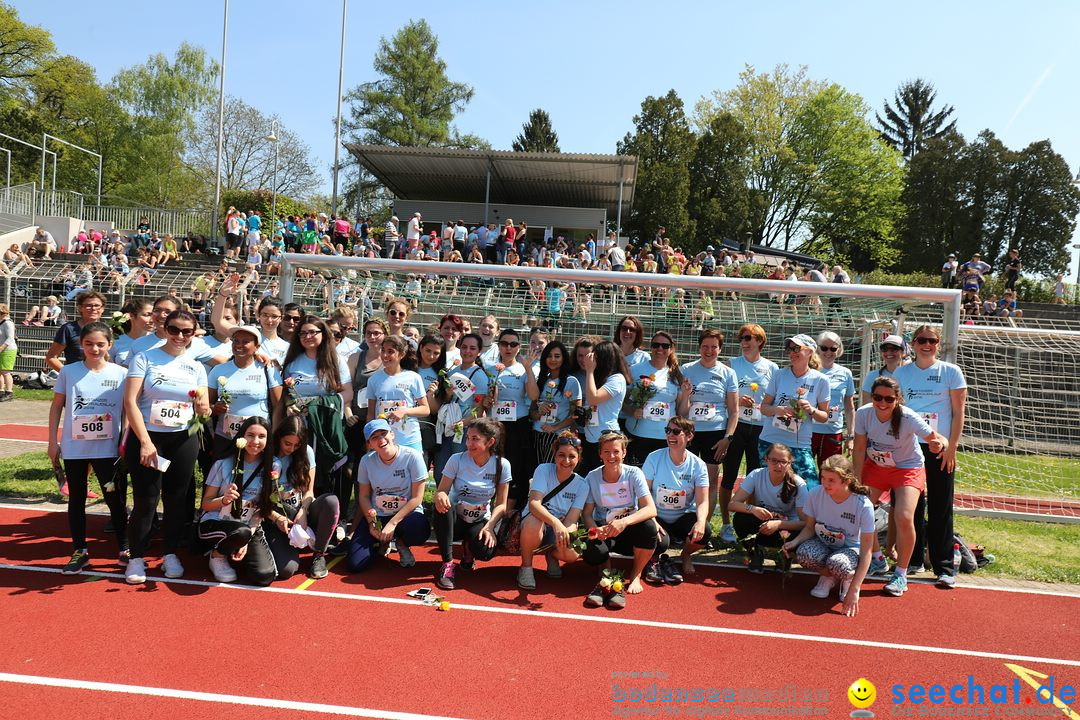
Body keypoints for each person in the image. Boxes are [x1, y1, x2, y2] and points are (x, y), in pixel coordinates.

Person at [123, 309, 211, 584]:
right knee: (146, 499)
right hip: (149, 437)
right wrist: (146, 442)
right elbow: (130, 402)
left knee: (177, 499)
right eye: (175, 329)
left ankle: (170, 552)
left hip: (183, 439)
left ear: (195, 333)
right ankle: (136, 557)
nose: (180, 336)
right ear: (165, 328)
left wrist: (204, 408)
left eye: (187, 331)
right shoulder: (145, 357)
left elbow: (203, 406)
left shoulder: (196, 366)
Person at [854, 376, 949, 597]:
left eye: (889, 398)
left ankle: (901, 574)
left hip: (907, 468)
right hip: (876, 466)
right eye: (878, 397)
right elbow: (859, 450)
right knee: (858, 510)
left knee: (905, 517)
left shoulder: (908, 417)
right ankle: (877, 560)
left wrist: (940, 445)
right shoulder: (864, 413)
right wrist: (856, 479)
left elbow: (938, 438)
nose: (882, 403)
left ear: (898, 399)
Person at [48, 322, 128, 573]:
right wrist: (52, 441)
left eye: (100, 344)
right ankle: (80, 550)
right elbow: (56, 407)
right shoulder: (69, 372)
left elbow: (127, 410)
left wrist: (125, 439)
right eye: (89, 344)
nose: (94, 348)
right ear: (81, 344)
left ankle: (125, 548)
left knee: (115, 499)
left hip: (109, 448)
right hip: (75, 449)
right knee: (77, 500)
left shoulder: (121, 374)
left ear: (109, 346)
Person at [894, 325, 967, 587]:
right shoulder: (901, 373)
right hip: (908, 448)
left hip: (941, 447)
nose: (927, 345)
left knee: (941, 505)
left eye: (932, 340)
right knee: (908, 505)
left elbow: (959, 413)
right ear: (913, 344)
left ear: (939, 344)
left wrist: (952, 447)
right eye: (922, 340)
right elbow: (897, 410)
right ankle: (912, 560)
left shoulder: (951, 372)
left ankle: (944, 566)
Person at [782, 455, 874, 616]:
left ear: (846, 481)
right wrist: (795, 542)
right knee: (804, 554)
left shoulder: (863, 504)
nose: (825, 483)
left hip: (850, 549)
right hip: (824, 543)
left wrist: (855, 590)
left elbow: (867, 550)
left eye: (831, 480)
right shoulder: (816, 494)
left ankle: (847, 579)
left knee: (838, 563)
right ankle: (828, 577)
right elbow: (810, 527)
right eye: (823, 478)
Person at [580, 431, 658, 608]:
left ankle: (636, 574)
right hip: (606, 529)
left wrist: (623, 522)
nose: (611, 456)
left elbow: (650, 508)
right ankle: (607, 577)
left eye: (616, 451)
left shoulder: (634, 473)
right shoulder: (592, 477)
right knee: (592, 551)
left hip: (629, 528)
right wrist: (595, 530)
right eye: (606, 452)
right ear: (600, 454)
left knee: (650, 531)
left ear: (624, 453)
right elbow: (586, 514)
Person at [433, 418, 512, 590]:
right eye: (468, 438)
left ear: (490, 442)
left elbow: (501, 505)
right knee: (441, 507)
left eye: (475, 439)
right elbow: (440, 491)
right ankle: (447, 564)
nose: (469, 443)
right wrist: (440, 496)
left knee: (485, 552)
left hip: (480, 520)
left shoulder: (502, 465)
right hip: (455, 519)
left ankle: (469, 547)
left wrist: (490, 527)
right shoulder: (456, 459)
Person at [197, 417, 276, 585]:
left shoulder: (272, 466)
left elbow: (261, 510)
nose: (255, 441)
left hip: (248, 526)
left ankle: (234, 546)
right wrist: (224, 500)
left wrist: (246, 538)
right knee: (240, 532)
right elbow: (206, 504)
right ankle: (216, 555)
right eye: (250, 435)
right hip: (216, 521)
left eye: (262, 436)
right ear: (241, 436)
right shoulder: (222, 463)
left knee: (264, 576)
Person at [347, 418, 431, 572]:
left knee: (420, 528)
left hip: (407, 516)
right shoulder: (366, 461)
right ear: (369, 444)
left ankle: (401, 542)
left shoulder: (413, 456)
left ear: (392, 434)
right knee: (355, 564)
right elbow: (364, 496)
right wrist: (372, 523)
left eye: (383, 433)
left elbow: (417, 498)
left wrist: (393, 523)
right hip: (378, 515)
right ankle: (381, 542)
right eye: (374, 437)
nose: (381, 439)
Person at [720, 324, 779, 543]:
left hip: (762, 428)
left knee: (757, 476)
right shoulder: (732, 364)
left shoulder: (772, 368)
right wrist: (737, 401)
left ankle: (752, 522)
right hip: (738, 425)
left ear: (760, 341)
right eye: (742, 338)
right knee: (729, 475)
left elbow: (774, 397)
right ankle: (726, 524)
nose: (744, 342)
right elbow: (723, 397)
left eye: (748, 338)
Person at [262, 416, 339, 580]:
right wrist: (276, 518)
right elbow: (259, 497)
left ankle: (319, 554)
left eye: (296, 445)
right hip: (275, 517)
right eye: (287, 444)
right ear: (279, 437)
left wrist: (303, 512)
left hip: (300, 512)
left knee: (331, 501)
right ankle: (290, 545)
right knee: (287, 570)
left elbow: (309, 492)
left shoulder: (307, 452)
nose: (291, 449)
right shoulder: (267, 453)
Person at [678, 329, 739, 531]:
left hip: (716, 434)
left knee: (711, 481)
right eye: (705, 346)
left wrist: (727, 438)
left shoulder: (728, 373)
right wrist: (686, 395)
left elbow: (734, 411)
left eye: (714, 347)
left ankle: (703, 525)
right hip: (690, 432)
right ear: (699, 347)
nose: (709, 350)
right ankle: (684, 524)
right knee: (686, 479)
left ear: (720, 349)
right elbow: (681, 410)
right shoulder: (687, 369)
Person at [642, 417, 711, 584]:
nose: (670, 435)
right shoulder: (654, 458)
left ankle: (685, 554)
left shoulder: (698, 465)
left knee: (705, 532)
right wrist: (651, 520)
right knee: (658, 542)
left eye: (675, 432)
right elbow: (642, 494)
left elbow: (703, 501)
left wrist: (701, 522)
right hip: (656, 515)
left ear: (689, 436)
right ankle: (654, 560)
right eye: (667, 431)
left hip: (682, 517)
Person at [517, 432, 588, 589]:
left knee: (572, 554)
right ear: (554, 455)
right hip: (536, 521)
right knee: (535, 521)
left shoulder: (583, 484)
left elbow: (572, 519)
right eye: (561, 455)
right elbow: (534, 504)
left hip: (559, 527)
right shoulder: (543, 470)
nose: (566, 461)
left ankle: (551, 554)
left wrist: (566, 534)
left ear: (579, 458)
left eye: (572, 456)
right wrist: (555, 522)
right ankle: (526, 567)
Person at [758, 334, 831, 487]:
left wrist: (811, 409)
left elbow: (824, 416)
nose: (792, 352)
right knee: (767, 487)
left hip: (800, 444)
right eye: (789, 348)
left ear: (810, 351)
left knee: (810, 487)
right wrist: (779, 410)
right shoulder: (779, 375)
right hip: (771, 441)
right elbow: (764, 408)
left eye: (797, 348)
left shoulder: (820, 380)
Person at [728, 442, 808, 573]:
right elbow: (732, 505)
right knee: (740, 518)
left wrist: (778, 524)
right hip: (763, 524)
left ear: (790, 463)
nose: (778, 465)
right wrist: (753, 509)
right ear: (766, 460)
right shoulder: (756, 475)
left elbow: (806, 523)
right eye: (774, 461)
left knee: (801, 535)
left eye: (783, 462)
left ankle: (785, 555)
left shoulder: (798, 483)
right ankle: (755, 552)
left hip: (788, 530)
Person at [207, 324, 282, 455]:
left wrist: (274, 434)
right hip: (226, 437)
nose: (239, 345)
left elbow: (278, 405)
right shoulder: (218, 370)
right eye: (236, 341)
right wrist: (214, 408)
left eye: (245, 341)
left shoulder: (267, 369)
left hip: (258, 439)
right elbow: (206, 406)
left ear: (256, 347)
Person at [433, 332, 490, 482]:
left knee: (459, 471)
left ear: (479, 351)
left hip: (464, 430)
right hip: (447, 426)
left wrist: (462, 423)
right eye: (464, 347)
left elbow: (478, 410)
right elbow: (446, 400)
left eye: (472, 348)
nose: (467, 351)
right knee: (441, 469)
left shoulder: (480, 376)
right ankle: (442, 502)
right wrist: (448, 393)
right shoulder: (453, 371)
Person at [490, 327, 532, 510]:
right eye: (504, 344)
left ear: (519, 347)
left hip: (518, 425)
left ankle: (509, 510)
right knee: (493, 465)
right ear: (498, 346)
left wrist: (529, 370)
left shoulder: (523, 370)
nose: (508, 348)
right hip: (495, 425)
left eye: (513, 344)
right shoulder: (490, 368)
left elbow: (534, 395)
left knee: (514, 467)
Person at [365, 335, 428, 454]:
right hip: (383, 441)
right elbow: (371, 414)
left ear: (402, 354)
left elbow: (425, 409)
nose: (384, 355)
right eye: (383, 350)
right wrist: (369, 438)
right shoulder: (374, 380)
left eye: (390, 352)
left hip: (409, 439)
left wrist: (404, 411)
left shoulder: (413, 377)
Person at [525, 340, 581, 467]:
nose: (553, 359)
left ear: (564, 358)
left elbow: (575, 415)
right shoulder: (541, 380)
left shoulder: (571, 382)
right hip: (538, 434)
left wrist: (555, 427)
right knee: (539, 471)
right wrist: (539, 412)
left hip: (558, 436)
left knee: (554, 472)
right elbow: (532, 413)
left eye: (557, 356)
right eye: (549, 356)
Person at [579, 340, 631, 473]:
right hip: (591, 438)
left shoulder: (617, 379)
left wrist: (589, 371)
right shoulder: (600, 380)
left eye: (596, 358)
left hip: (607, 437)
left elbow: (593, 398)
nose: (593, 361)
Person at [810, 331, 856, 465]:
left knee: (831, 472)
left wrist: (850, 436)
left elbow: (849, 407)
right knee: (804, 473)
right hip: (809, 430)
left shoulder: (845, 373)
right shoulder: (808, 370)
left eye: (833, 348)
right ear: (817, 348)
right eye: (824, 348)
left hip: (833, 431)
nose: (828, 352)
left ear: (839, 349)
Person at [45, 291, 107, 375]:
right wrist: (69, 374)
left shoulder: (108, 330)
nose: (93, 308)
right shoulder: (68, 329)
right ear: (80, 307)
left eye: (97, 305)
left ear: (102, 308)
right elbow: (51, 357)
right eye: (88, 305)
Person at [860, 334, 907, 404]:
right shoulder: (872, 376)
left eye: (894, 349)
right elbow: (867, 406)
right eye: (885, 349)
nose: (888, 352)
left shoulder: (911, 375)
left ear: (903, 352)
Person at [0, 304, 16, 401]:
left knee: (6, 372)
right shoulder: (1, 322)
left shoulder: (8, 323)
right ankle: (1, 391)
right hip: (2, 349)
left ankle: (9, 392)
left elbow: (10, 338)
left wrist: (2, 348)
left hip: (8, 350)